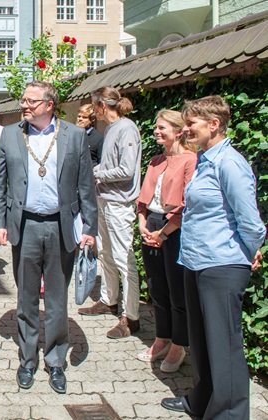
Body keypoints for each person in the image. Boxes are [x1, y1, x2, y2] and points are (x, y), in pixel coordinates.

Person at [0, 81, 97, 394]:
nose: (24, 105)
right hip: (25, 226)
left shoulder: (74, 136)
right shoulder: (11, 134)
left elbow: (86, 187)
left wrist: (89, 229)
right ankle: (27, 360)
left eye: (31, 101)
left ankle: (56, 361)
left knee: (56, 300)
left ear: (49, 104)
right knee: (25, 297)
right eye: (23, 100)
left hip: (61, 225)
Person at [161, 96, 265, 419]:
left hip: (221, 265)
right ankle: (203, 400)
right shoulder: (204, 159)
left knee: (224, 346)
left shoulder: (230, 164)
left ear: (214, 125)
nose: (186, 129)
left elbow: (251, 223)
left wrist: (246, 253)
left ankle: (230, 413)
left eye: (192, 124)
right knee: (203, 343)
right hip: (196, 261)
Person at [78, 86, 142, 340]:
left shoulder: (126, 128)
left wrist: (97, 173)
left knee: (124, 258)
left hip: (119, 202)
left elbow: (126, 170)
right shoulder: (112, 128)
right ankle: (109, 299)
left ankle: (132, 317)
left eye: (94, 105)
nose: (93, 110)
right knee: (104, 252)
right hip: (104, 198)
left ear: (102, 105)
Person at [135, 110, 196, 372]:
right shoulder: (156, 159)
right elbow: (143, 198)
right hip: (152, 224)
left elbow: (188, 204)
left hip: (175, 229)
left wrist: (163, 233)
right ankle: (161, 338)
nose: (157, 132)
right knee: (156, 287)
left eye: (162, 128)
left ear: (179, 130)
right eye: (156, 128)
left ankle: (179, 345)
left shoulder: (190, 160)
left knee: (176, 291)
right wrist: (142, 224)